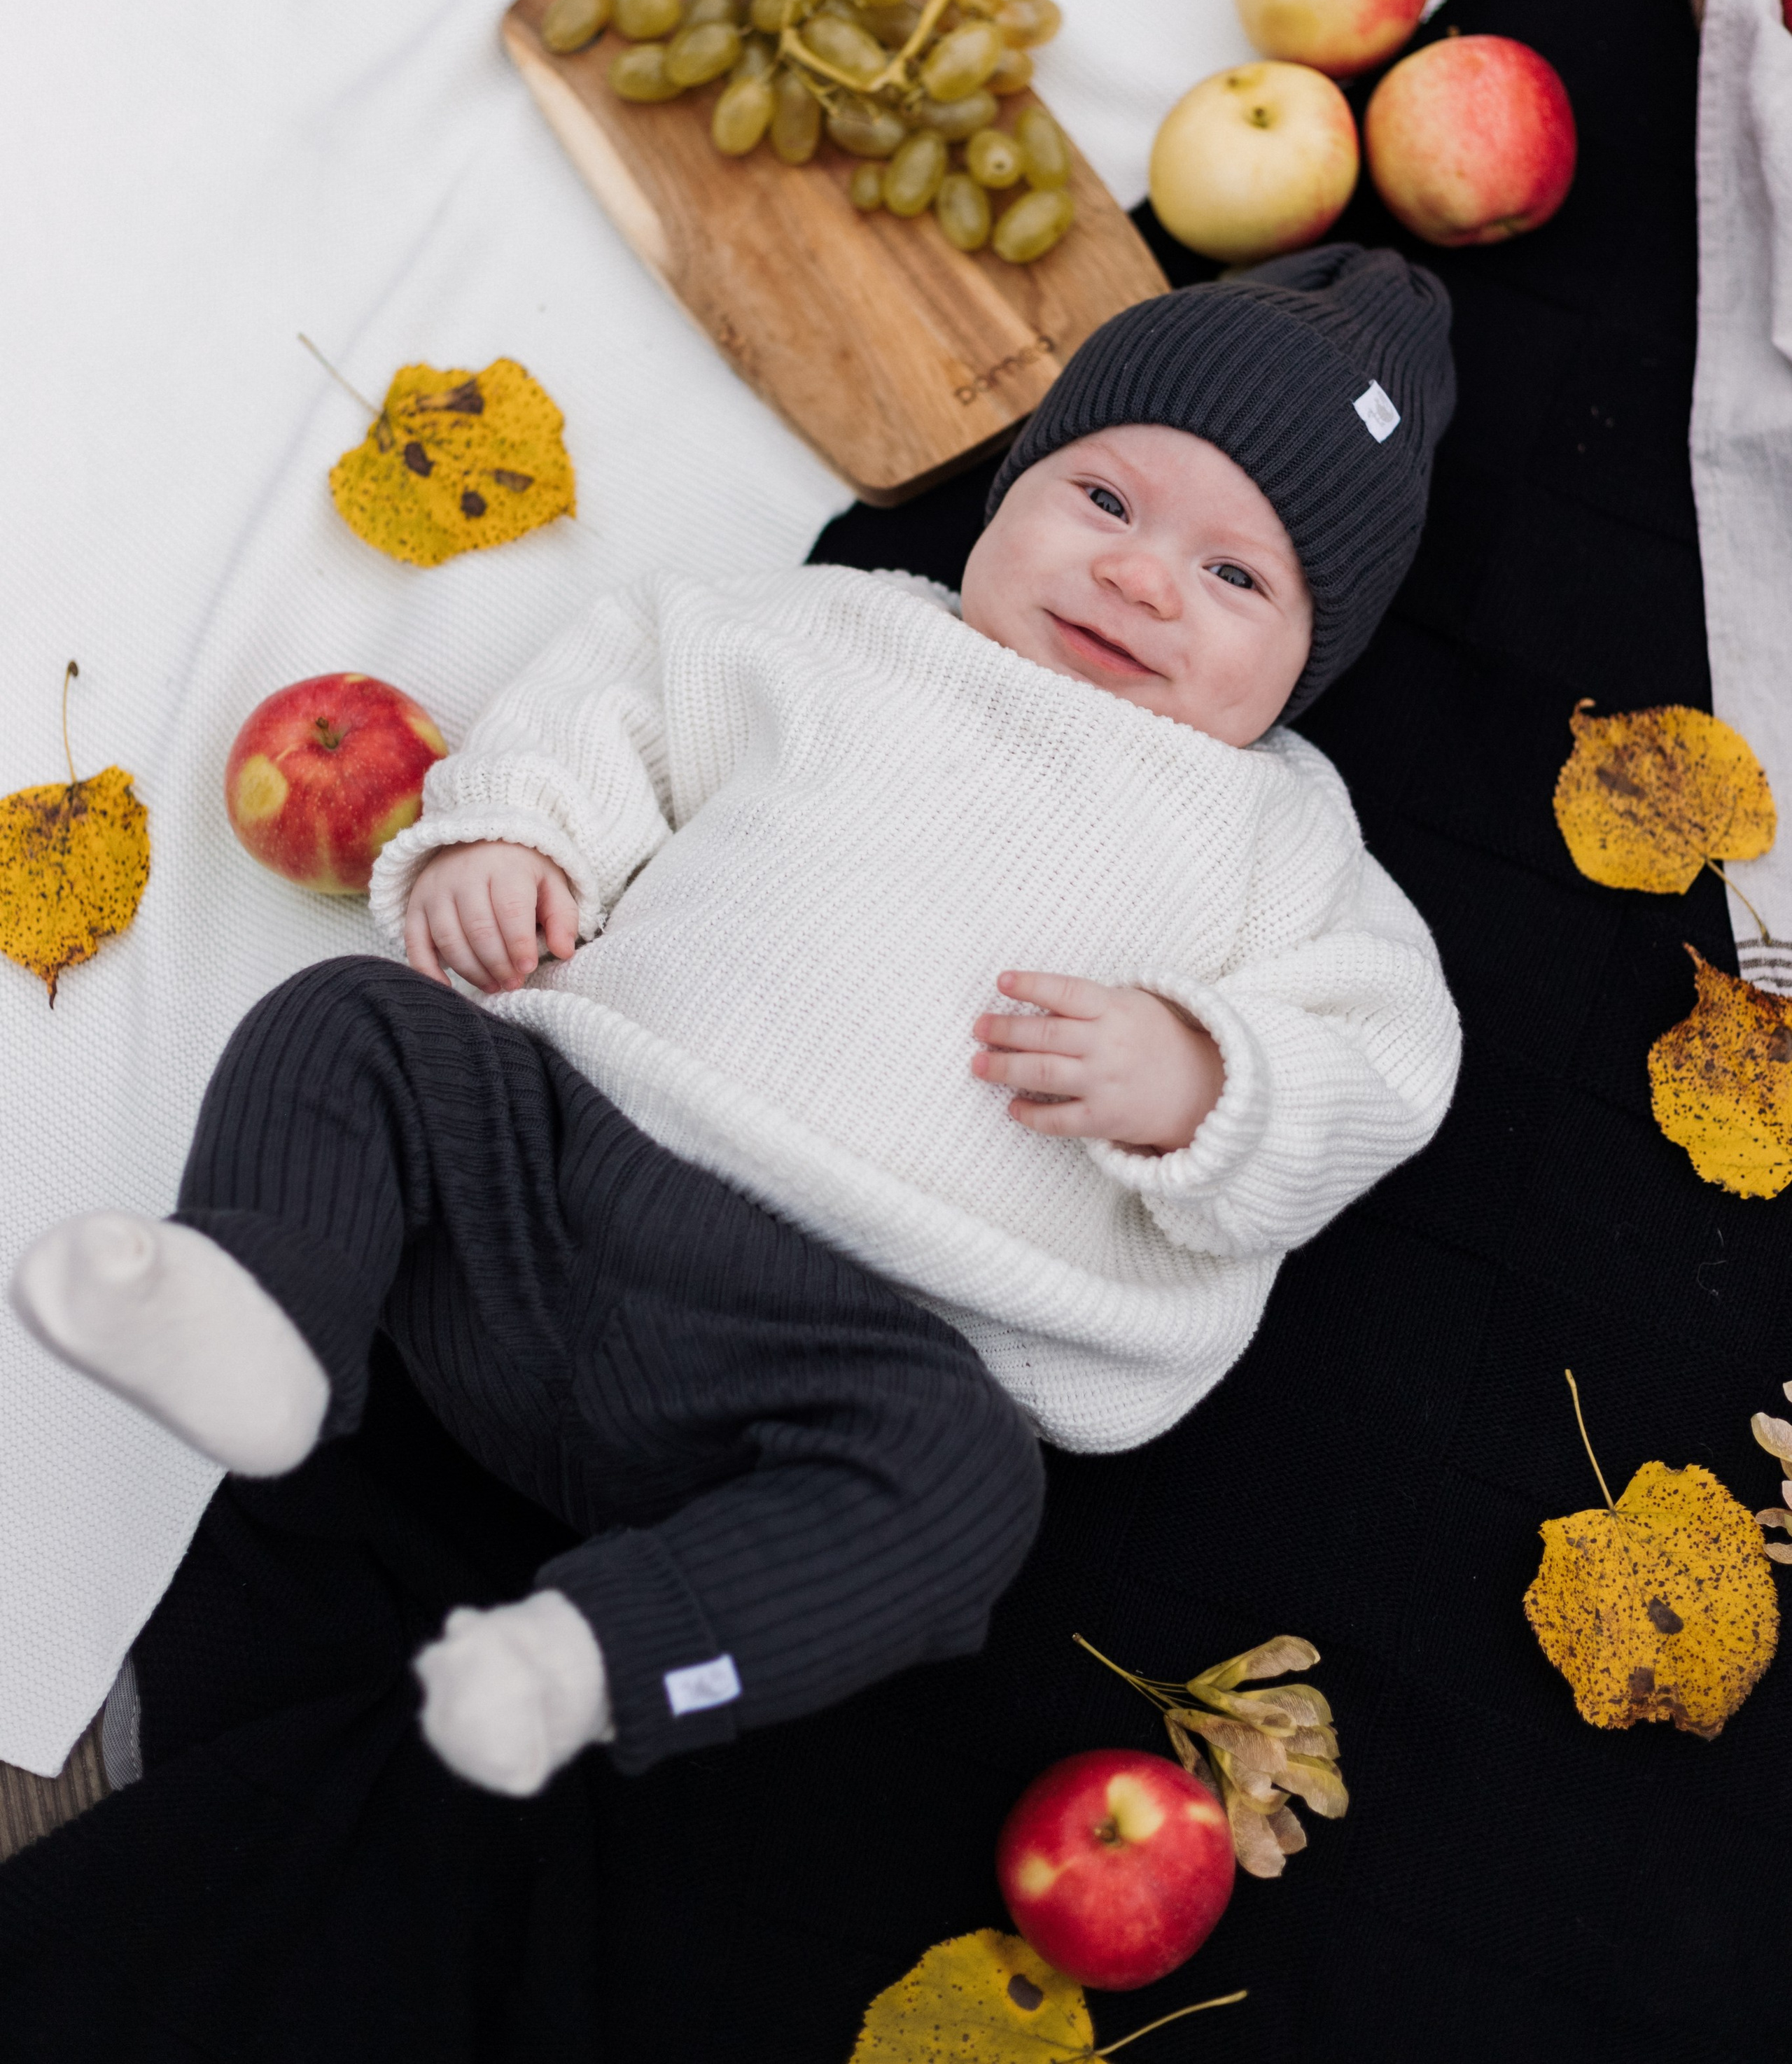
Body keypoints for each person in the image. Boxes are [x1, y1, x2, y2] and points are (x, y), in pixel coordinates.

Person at [13, 242, 1462, 1801]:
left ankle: (593, 1660)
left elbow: (1385, 1059)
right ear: (1014, 485)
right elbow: (619, 700)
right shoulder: (827, 632)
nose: (1135, 576)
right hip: (545, 1185)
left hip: (847, 1359)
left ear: (1311, 661)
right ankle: (266, 1314)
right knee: (350, 1025)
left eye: (1233, 577)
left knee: (968, 1500)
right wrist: (514, 840)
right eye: (1102, 501)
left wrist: (1200, 1078)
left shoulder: (1278, 844)